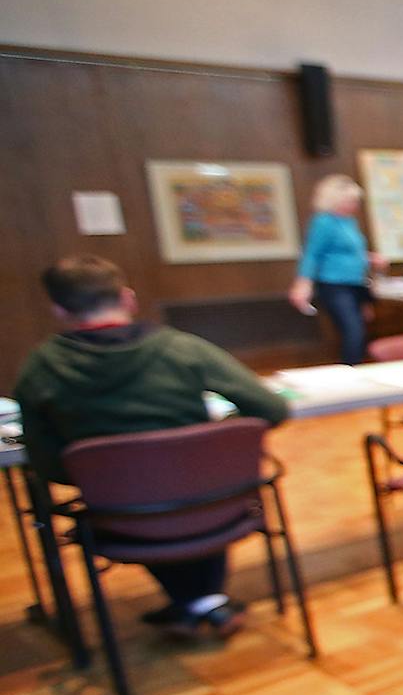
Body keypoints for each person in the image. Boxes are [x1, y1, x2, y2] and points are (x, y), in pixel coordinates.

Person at [13, 256, 291, 638]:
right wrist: (217, 440)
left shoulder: (41, 368)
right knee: (183, 482)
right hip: (217, 505)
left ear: (59, 310)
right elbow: (271, 408)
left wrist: (99, 472)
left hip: (121, 517)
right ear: (128, 299)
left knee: (148, 493)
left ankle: (196, 603)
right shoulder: (181, 349)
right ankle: (204, 602)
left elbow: (48, 464)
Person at [289, 174, 382, 364]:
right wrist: (303, 283)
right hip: (334, 285)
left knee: (361, 331)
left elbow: (349, 252)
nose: (355, 206)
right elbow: (312, 254)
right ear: (335, 200)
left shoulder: (349, 222)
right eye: (350, 201)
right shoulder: (323, 222)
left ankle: (356, 369)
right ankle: (350, 373)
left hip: (356, 283)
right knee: (353, 331)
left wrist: (369, 258)